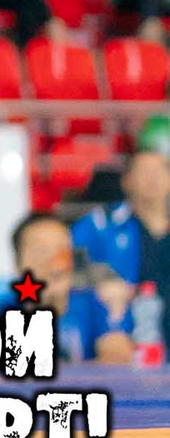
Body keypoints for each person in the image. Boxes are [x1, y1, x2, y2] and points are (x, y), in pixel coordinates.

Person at [17, 210, 134, 364]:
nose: (54, 262)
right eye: (41, 251)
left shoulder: (98, 304)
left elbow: (118, 357)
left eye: (61, 250)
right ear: (18, 263)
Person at [75, 149, 170, 292]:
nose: (153, 178)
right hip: (119, 311)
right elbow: (68, 261)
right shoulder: (100, 223)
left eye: (160, 170)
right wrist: (99, 279)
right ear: (126, 181)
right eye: (144, 171)